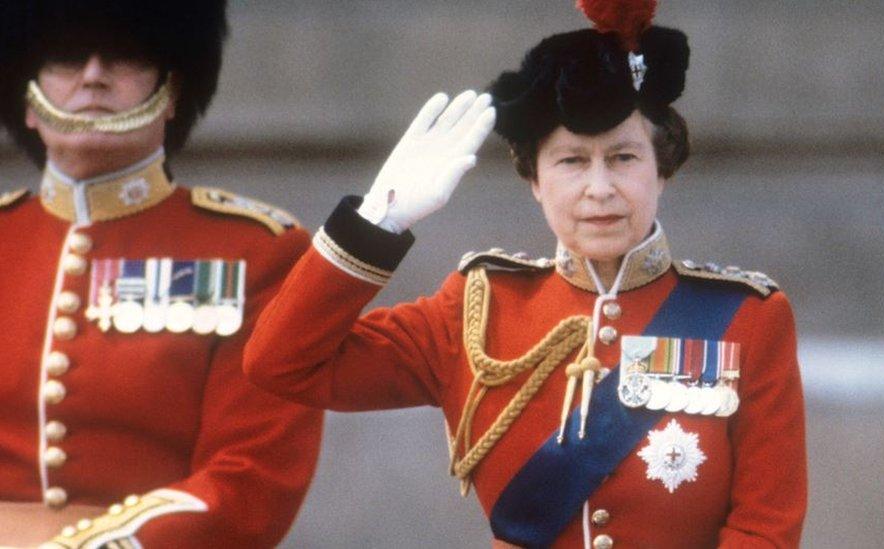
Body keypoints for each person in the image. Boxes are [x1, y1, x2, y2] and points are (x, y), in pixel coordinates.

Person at [244, 1, 806, 547]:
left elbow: (765, 528)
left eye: (624, 158)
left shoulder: (747, 319)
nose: (600, 188)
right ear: (534, 180)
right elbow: (281, 364)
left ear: (663, 171)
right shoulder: (476, 308)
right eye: (571, 161)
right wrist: (379, 220)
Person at [0, 1, 322, 547]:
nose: (93, 77)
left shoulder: (254, 251)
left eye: (126, 57)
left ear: (170, 93)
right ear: (27, 100)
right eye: (66, 58)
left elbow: (251, 478)